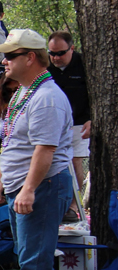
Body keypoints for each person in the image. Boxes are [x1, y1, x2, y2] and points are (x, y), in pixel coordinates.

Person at [0, 29, 73, 270]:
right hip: (22, 186)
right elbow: (12, 142)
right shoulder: (25, 93)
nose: (4, 61)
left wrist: (27, 190)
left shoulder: (47, 98)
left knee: (33, 262)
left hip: (44, 187)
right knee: (33, 260)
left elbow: (44, 150)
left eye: (11, 55)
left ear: (30, 58)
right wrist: (0, 179)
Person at [47, 31, 90, 222]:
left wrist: (92, 118)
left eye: (61, 53)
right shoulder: (46, 67)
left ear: (72, 48)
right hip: (53, 121)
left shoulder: (83, 64)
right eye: (52, 53)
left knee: (74, 162)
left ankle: (73, 205)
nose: (56, 58)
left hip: (79, 122)